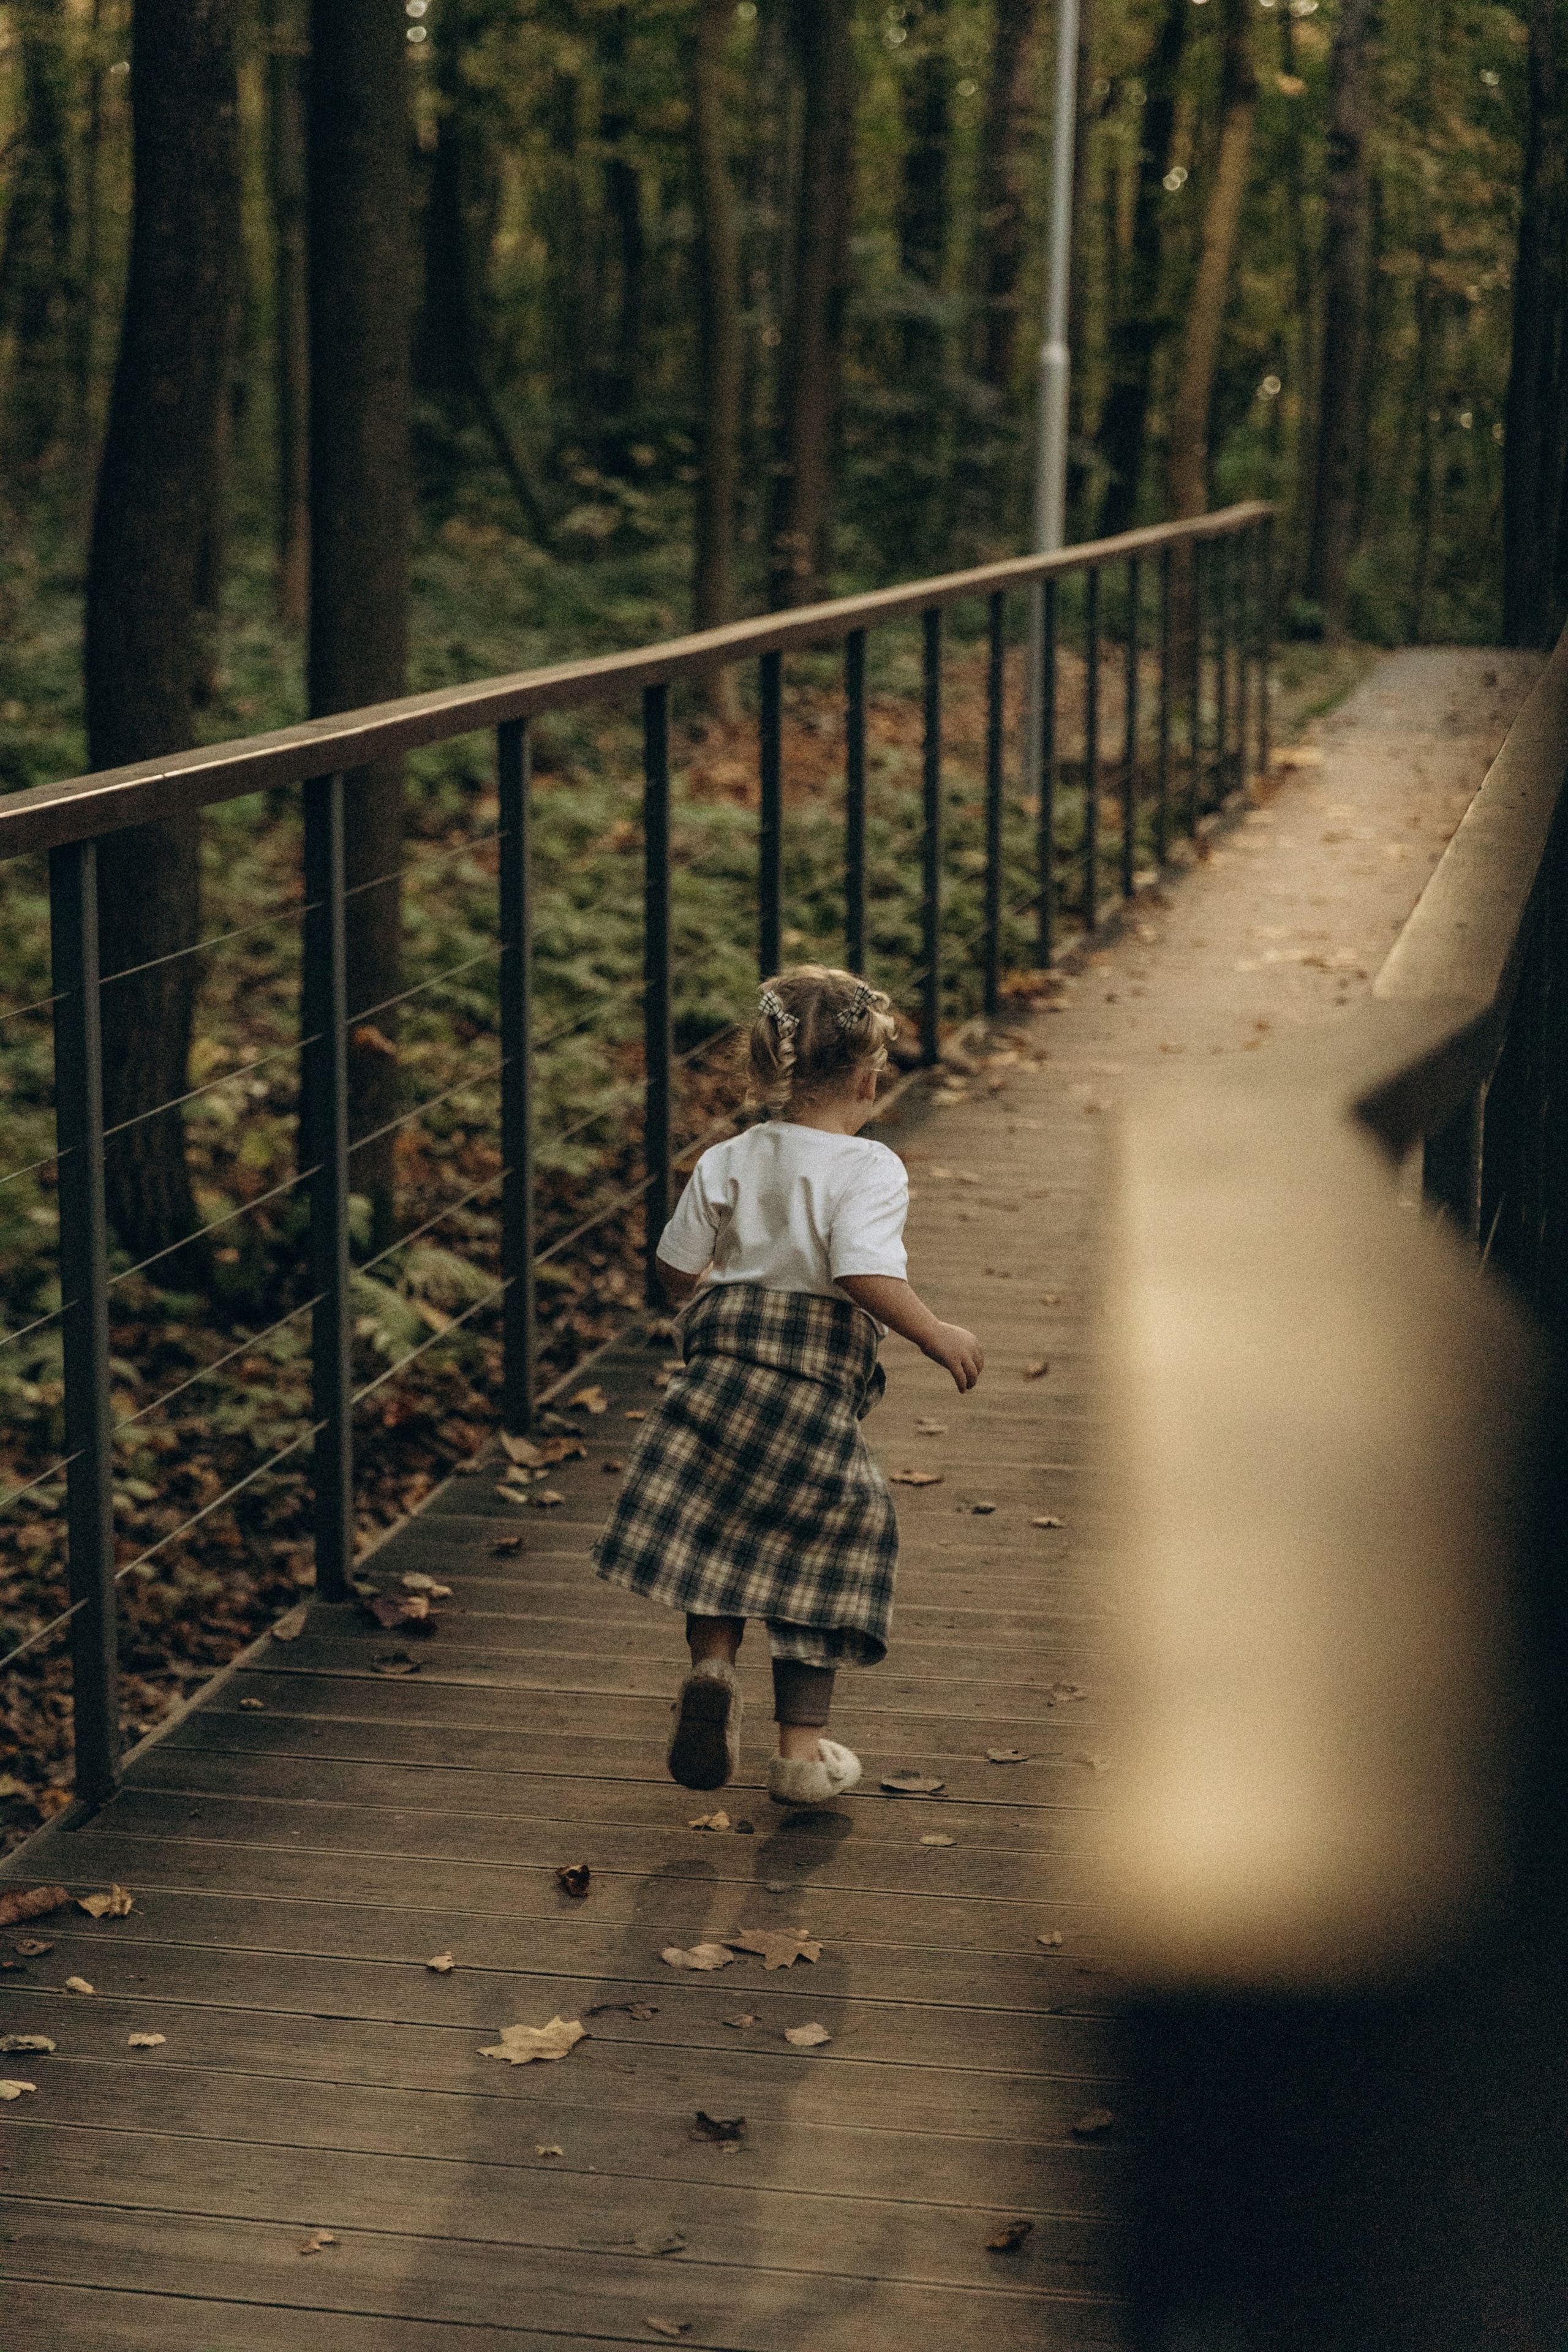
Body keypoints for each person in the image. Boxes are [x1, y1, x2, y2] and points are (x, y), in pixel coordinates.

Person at [592, 963, 983, 1809]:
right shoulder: (868, 1168)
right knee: (825, 1548)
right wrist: (935, 1333)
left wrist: (716, 1299)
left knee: (716, 1541)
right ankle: (801, 1757)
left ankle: (711, 1669)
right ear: (872, 1078)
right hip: (810, 1389)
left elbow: (672, 1267)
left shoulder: (727, 1158)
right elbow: (861, 1269)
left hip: (721, 1374)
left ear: (769, 1069)